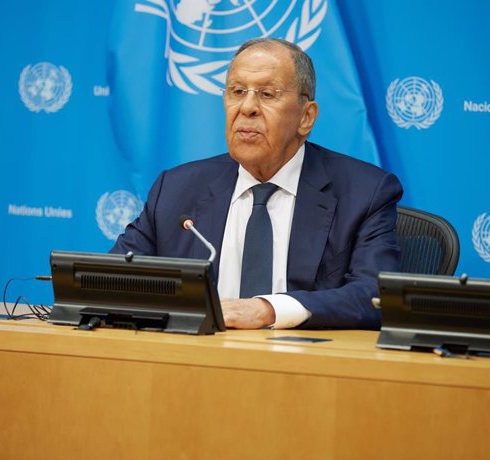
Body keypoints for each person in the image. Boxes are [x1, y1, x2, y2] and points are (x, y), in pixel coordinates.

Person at [111, 37, 403, 330]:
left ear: (306, 117)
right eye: (237, 91)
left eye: (267, 94)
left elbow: (375, 296)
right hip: (196, 365)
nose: (247, 107)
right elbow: (112, 283)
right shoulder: (176, 190)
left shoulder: (365, 192)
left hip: (304, 366)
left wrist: (268, 310)